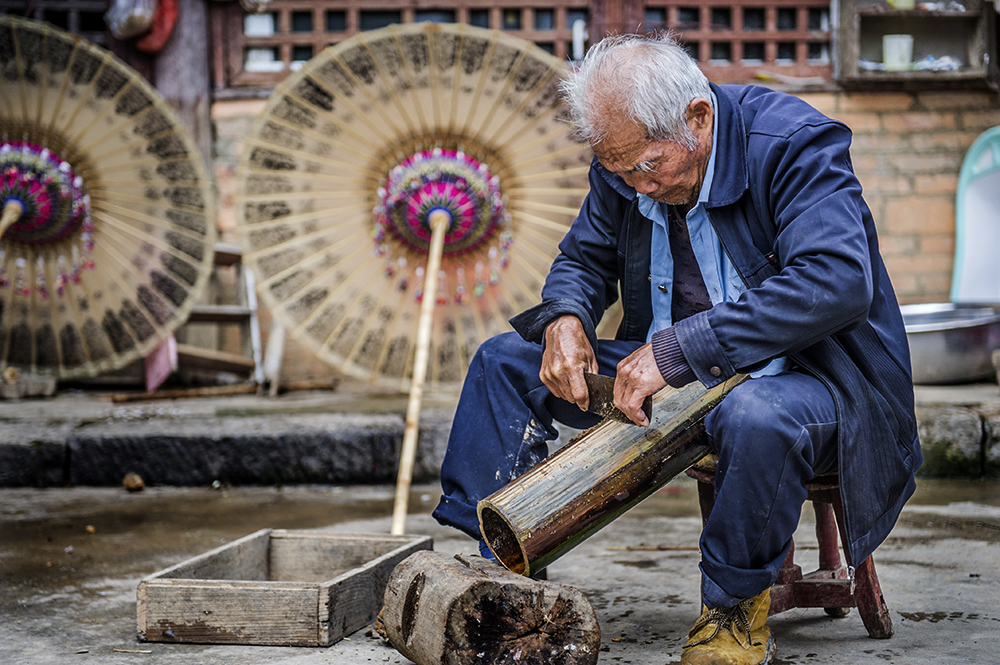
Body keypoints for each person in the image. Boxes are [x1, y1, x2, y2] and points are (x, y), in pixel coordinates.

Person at [432, 32, 920, 665]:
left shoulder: (794, 144)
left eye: (646, 167)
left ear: (698, 117)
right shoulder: (627, 165)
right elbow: (583, 257)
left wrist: (679, 350)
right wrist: (566, 319)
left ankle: (733, 611)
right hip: (677, 374)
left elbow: (835, 281)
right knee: (505, 362)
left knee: (754, 414)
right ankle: (495, 581)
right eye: (618, 171)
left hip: (814, 381)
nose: (636, 186)